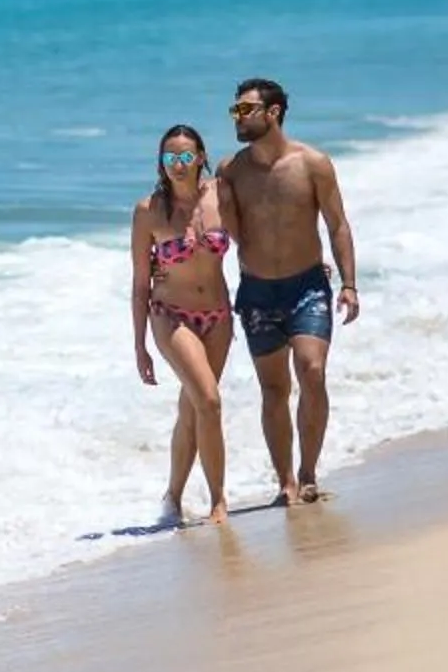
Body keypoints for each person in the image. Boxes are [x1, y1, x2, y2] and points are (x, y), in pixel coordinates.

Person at [218, 76, 359, 506]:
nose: (236, 118)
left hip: (307, 286)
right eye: (235, 110)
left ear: (272, 112)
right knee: (274, 389)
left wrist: (350, 283)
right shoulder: (232, 171)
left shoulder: (312, 163)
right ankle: (285, 481)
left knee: (312, 371)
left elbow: (337, 223)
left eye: (245, 109)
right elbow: (223, 232)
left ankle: (309, 471)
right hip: (257, 291)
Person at [129, 123, 237, 527]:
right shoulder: (148, 212)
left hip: (218, 316)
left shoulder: (221, 196)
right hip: (170, 316)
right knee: (208, 401)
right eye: (169, 157)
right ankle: (218, 501)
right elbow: (141, 283)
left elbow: (255, 239)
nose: (177, 164)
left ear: (201, 157)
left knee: (193, 407)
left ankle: (172, 497)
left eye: (185, 156)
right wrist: (139, 346)